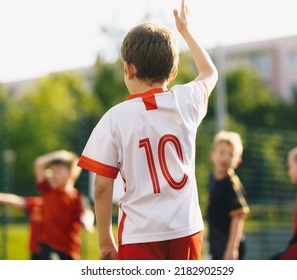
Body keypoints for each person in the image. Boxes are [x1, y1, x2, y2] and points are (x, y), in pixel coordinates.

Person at [77, 0, 218, 260]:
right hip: (186, 230)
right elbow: (209, 72)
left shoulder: (114, 118)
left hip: (140, 235)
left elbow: (102, 187)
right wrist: (185, 31)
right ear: (173, 72)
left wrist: (106, 241)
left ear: (128, 68)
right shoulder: (186, 101)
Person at [34, 150, 94, 260]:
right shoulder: (47, 190)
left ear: (71, 173)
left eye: (58, 171)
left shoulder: (78, 198)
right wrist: (59, 154)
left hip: (69, 251)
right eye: (52, 171)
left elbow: (87, 213)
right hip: (47, 247)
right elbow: (39, 163)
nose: (53, 174)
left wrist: (88, 222)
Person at [206, 131, 250, 260]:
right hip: (217, 243)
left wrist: (232, 249)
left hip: (228, 246)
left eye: (231, 154)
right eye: (222, 152)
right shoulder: (212, 178)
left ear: (238, 161)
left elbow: (238, 216)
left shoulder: (231, 183)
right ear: (212, 154)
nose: (225, 158)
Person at [0, 189, 44, 260]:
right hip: (36, 250)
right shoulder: (37, 203)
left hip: (51, 250)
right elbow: (18, 200)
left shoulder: (57, 205)